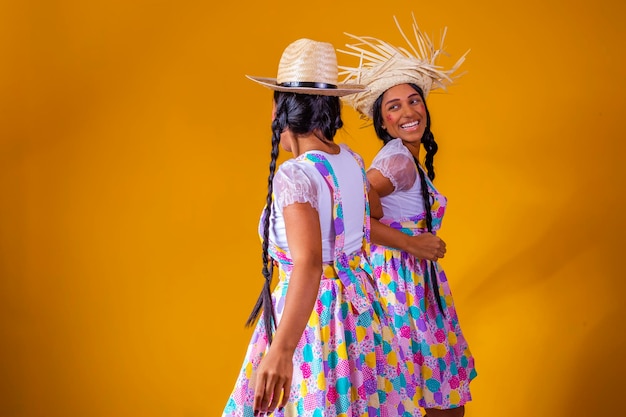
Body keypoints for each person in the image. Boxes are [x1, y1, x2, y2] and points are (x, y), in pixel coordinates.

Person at [222, 38, 422, 417]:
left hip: (312, 321)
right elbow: (362, 223)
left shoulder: (295, 175)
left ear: (280, 111)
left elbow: (310, 263)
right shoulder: (351, 159)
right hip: (358, 313)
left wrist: (281, 351)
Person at [338, 15, 477, 417]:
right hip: (399, 286)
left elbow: (364, 204)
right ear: (384, 121)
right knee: (431, 398)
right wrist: (413, 242)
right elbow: (351, 205)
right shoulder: (397, 160)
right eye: (394, 106)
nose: (408, 112)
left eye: (414, 100)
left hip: (409, 282)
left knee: (419, 395)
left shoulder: (403, 158)